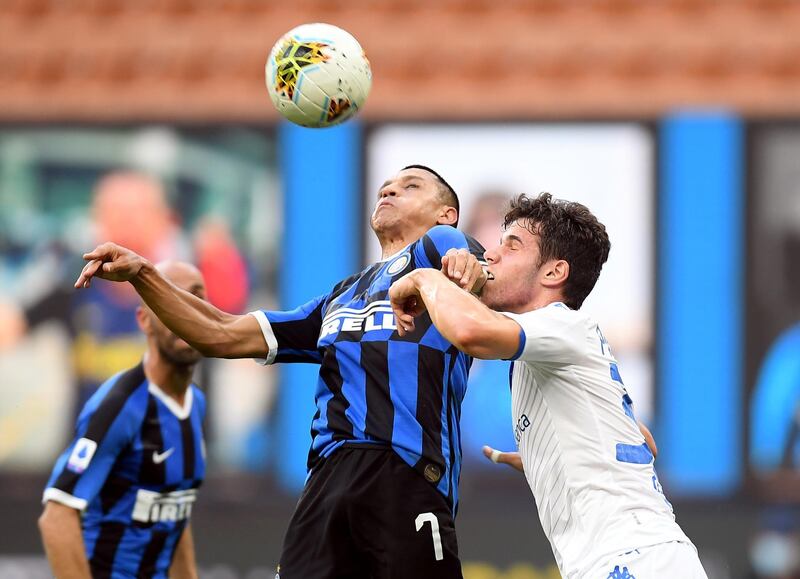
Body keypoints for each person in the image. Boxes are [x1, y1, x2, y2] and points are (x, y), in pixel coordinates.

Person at [73, 165, 488, 578]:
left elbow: (476, 270)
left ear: (445, 214)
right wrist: (143, 274)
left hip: (404, 473)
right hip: (326, 483)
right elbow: (219, 333)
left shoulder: (439, 249)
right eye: (385, 187)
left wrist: (472, 267)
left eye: (410, 186)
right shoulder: (340, 297)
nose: (390, 191)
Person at [388, 193, 706, 578]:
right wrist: (547, 457)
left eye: (512, 246)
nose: (491, 255)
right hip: (634, 556)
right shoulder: (556, 344)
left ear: (554, 273)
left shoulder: (561, 324)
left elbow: (469, 332)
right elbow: (645, 442)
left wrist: (425, 277)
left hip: (630, 555)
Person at [39, 261, 208, 579]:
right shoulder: (120, 405)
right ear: (144, 320)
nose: (186, 310)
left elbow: (174, 513)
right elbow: (57, 515)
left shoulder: (195, 403)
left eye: (197, 298)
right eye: (170, 297)